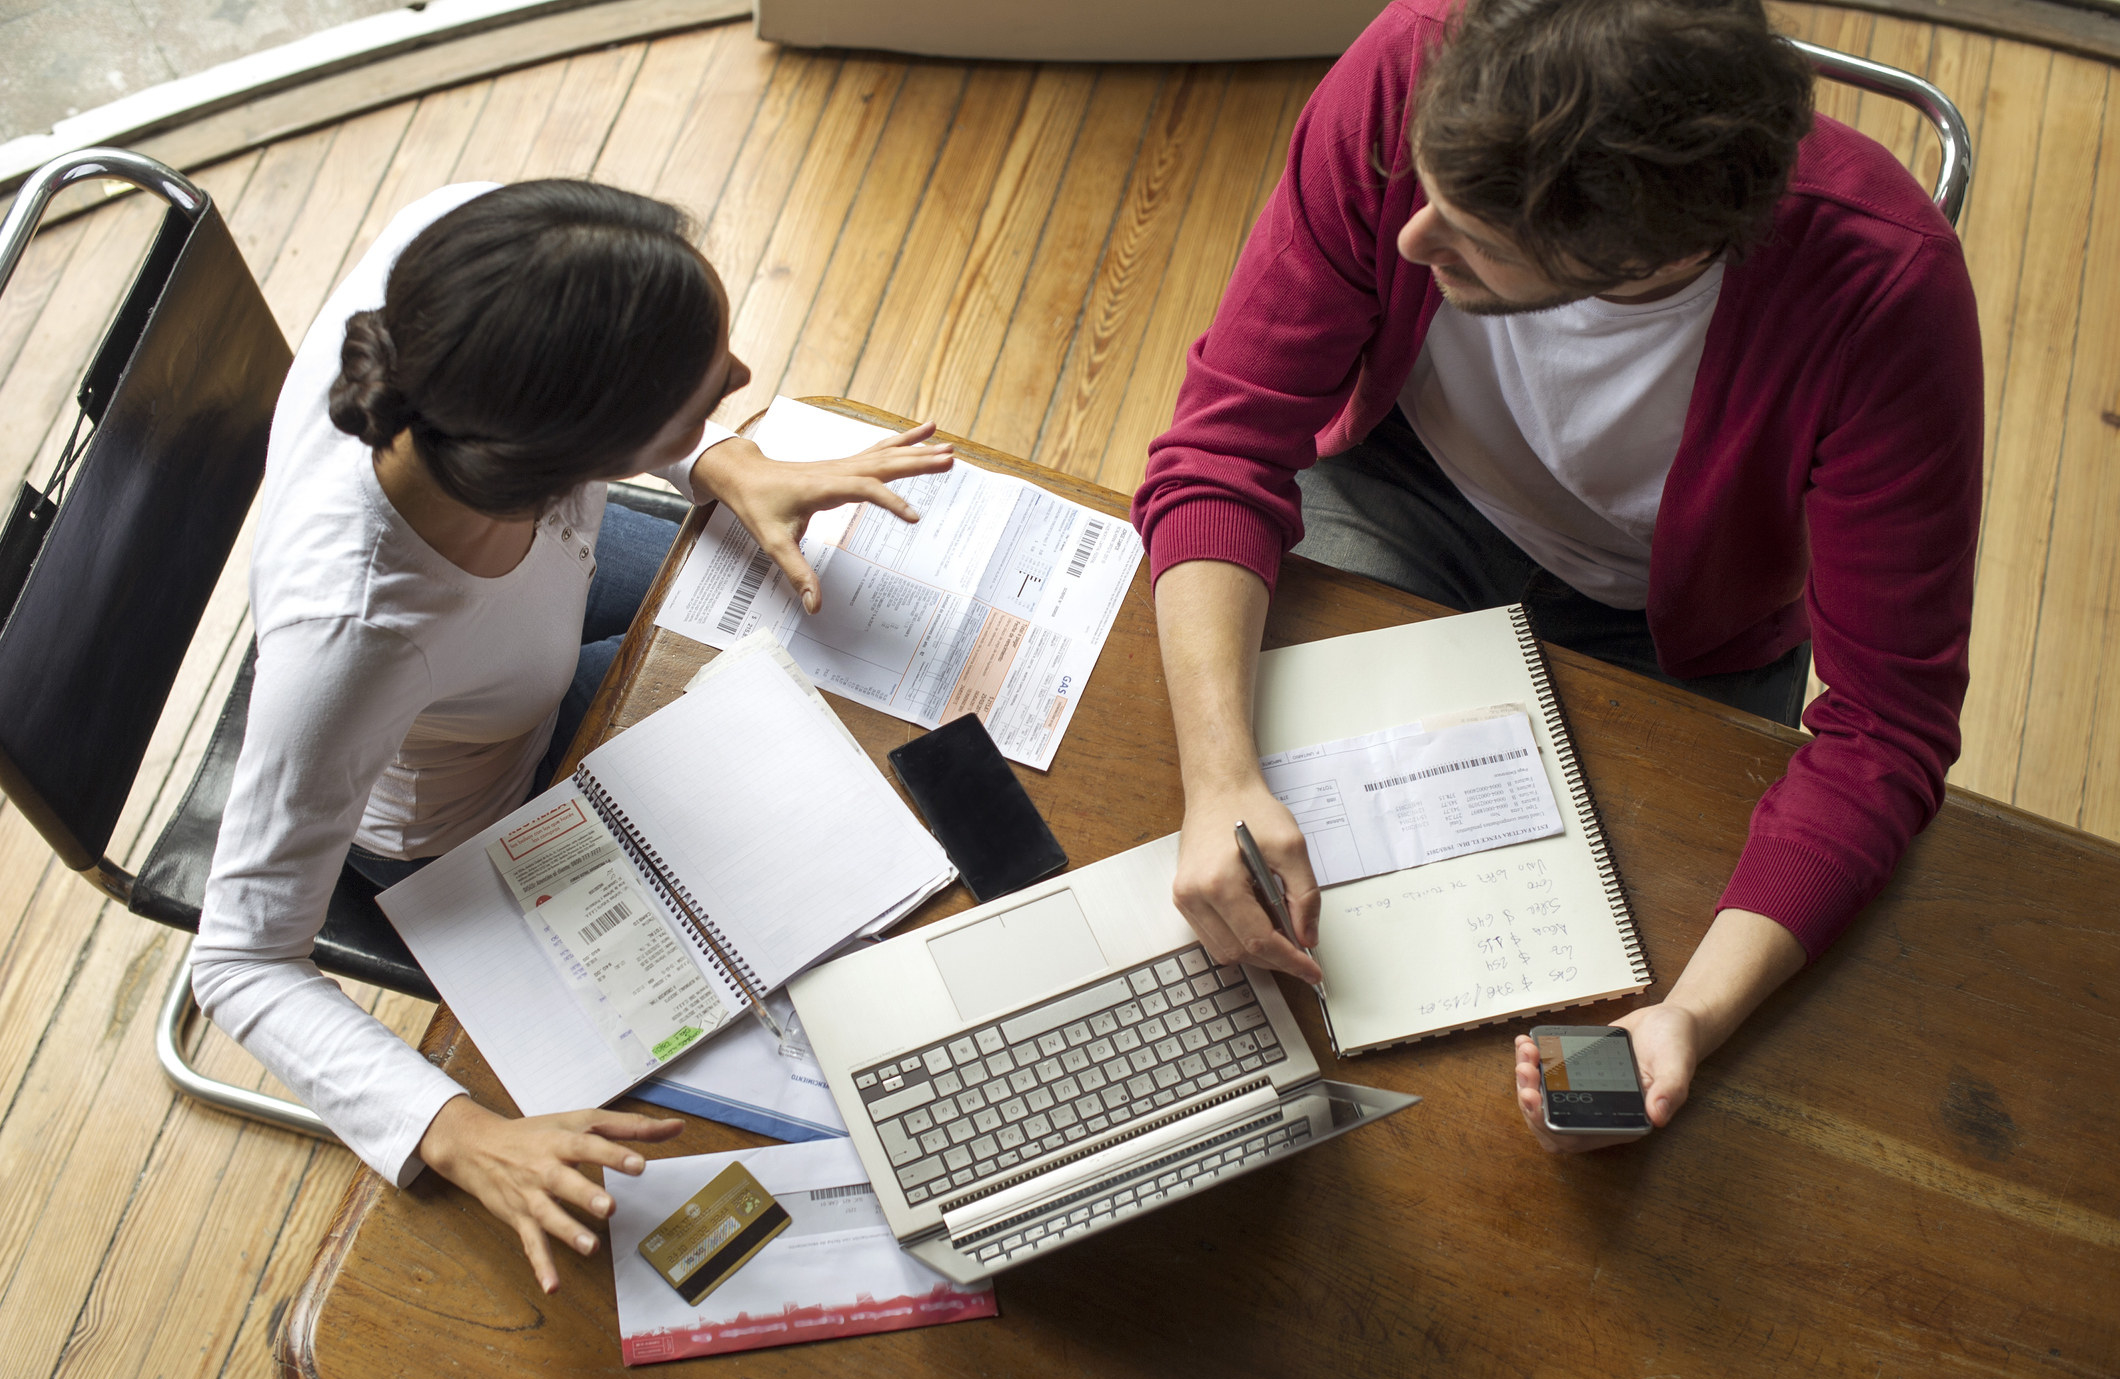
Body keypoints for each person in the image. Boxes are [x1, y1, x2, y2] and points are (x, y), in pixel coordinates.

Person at [1130, 0, 1980, 1153]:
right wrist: (1220, 779)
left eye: (1472, 244)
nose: (1408, 244)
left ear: (1645, 259)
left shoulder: (1883, 295)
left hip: (1682, 621)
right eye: (1424, 190)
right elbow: (1223, 448)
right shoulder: (1414, 68)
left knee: (1586, 985)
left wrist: (1690, 1014)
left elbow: (1885, 728)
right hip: (1402, 489)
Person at [191, 179, 952, 1291]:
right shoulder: (358, 640)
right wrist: (455, 1129)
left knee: (835, 674)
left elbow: (626, 427)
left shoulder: (465, 263)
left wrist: (720, 457)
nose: (741, 379)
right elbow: (239, 959)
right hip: (467, 799)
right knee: (812, 881)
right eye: (703, 389)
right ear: (568, 459)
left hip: (529, 631)